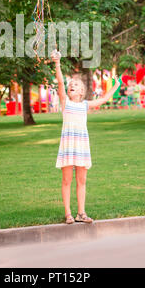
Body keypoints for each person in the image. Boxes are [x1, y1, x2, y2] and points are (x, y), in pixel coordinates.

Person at [51, 50, 120, 225]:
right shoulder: (65, 102)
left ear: (82, 91)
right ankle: (68, 214)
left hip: (81, 147)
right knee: (66, 180)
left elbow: (104, 99)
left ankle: (81, 213)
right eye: (71, 84)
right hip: (68, 147)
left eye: (76, 84)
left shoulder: (85, 105)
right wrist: (57, 63)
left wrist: (116, 85)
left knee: (81, 181)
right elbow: (60, 82)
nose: (72, 85)